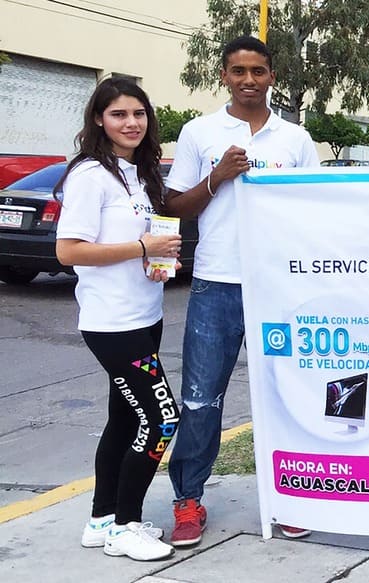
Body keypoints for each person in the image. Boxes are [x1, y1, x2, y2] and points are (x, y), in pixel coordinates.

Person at [163, 35, 320, 547]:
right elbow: (176, 206)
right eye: (238, 71)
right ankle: (188, 499)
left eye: (258, 71)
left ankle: (292, 497)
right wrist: (218, 177)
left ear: (272, 76)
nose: (248, 80)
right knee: (201, 398)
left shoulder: (295, 138)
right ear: (225, 76)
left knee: (287, 395)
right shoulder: (199, 132)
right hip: (217, 284)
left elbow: (317, 208)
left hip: (279, 284)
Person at [54, 78, 183, 561]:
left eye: (139, 113)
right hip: (113, 324)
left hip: (145, 315)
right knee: (163, 418)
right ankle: (126, 526)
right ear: (98, 119)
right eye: (119, 114)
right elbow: (69, 251)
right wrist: (141, 247)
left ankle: (102, 519)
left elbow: (141, 243)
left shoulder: (139, 174)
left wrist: (157, 260)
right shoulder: (91, 175)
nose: (131, 123)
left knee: (126, 419)